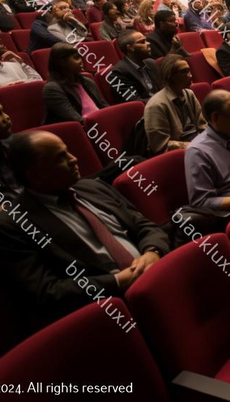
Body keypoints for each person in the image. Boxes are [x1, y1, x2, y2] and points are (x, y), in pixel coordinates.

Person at [0, 131, 169, 321]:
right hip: (111, 310)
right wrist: (118, 281)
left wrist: (153, 251)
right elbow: (45, 291)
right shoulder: (14, 224)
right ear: (35, 175)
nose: (74, 159)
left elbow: (145, 225)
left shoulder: (92, 187)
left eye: (68, 152)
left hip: (158, 271)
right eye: (60, 158)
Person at [144, 54, 206, 155]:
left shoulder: (189, 94)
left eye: (189, 71)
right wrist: (197, 145)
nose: (190, 75)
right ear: (170, 76)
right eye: (184, 72)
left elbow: (202, 125)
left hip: (197, 145)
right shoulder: (156, 105)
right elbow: (161, 146)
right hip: (179, 155)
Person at [42, 43, 108, 124]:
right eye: (76, 58)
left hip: (99, 123)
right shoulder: (52, 88)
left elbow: (103, 106)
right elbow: (74, 119)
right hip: (79, 131)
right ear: (62, 62)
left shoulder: (87, 81)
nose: (81, 61)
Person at [111, 31, 162, 104]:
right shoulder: (117, 73)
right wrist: (163, 100)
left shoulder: (150, 63)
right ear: (130, 48)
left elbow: (163, 88)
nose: (148, 43)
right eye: (142, 42)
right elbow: (134, 101)